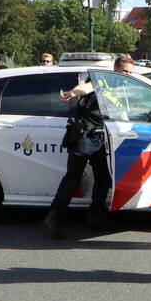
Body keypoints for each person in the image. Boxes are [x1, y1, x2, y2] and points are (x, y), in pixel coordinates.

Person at [42, 55, 134, 238]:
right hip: (84, 135)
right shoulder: (100, 80)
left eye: (130, 72)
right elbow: (84, 88)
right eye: (124, 71)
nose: (128, 75)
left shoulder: (124, 88)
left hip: (101, 137)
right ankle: (54, 217)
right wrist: (71, 94)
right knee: (73, 177)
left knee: (103, 177)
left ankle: (96, 217)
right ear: (116, 69)